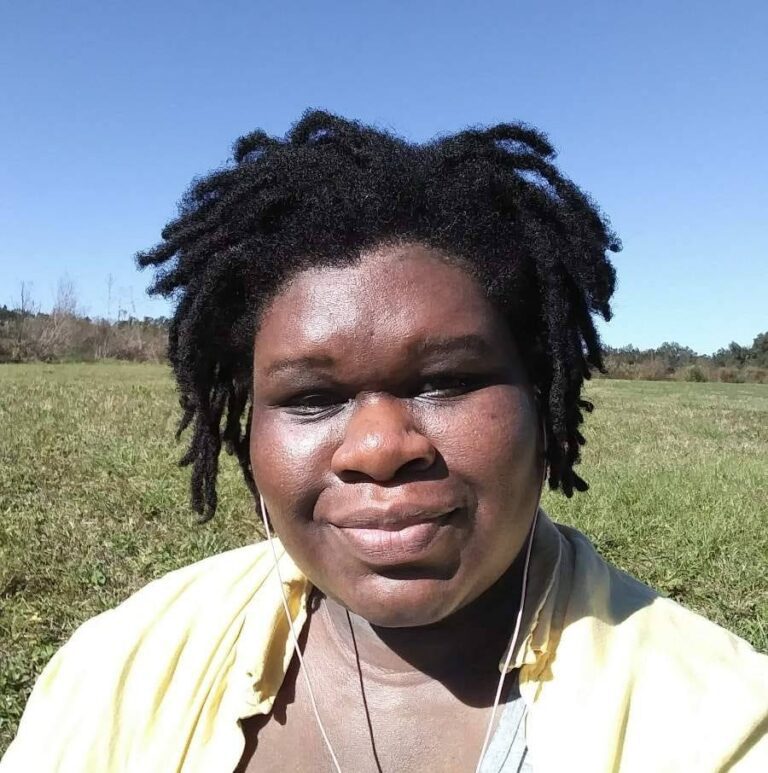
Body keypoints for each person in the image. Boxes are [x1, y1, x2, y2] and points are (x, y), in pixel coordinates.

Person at [2, 111, 766, 772]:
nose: (376, 446)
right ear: (246, 428)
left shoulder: (719, 724)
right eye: (309, 397)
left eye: (447, 381)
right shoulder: (118, 671)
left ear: (544, 400)